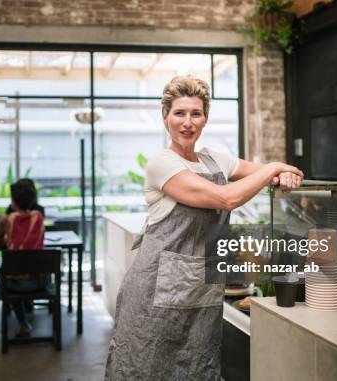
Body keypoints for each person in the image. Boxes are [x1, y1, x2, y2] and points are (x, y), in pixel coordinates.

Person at [104, 76, 303, 380]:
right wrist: (275, 168)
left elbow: (264, 175)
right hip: (156, 294)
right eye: (179, 113)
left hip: (202, 290)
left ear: (205, 118)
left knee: (197, 368)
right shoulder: (162, 163)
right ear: (165, 117)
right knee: (147, 368)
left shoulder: (216, 159)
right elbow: (227, 198)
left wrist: (282, 172)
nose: (187, 122)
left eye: (195, 114)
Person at [0, 181, 46, 337]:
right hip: (39, 281)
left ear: (13, 201)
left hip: (15, 284)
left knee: (7, 276)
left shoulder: (8, 219)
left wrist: (2, 231)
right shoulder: (39, 217)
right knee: (10, 274)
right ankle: (22, 325)